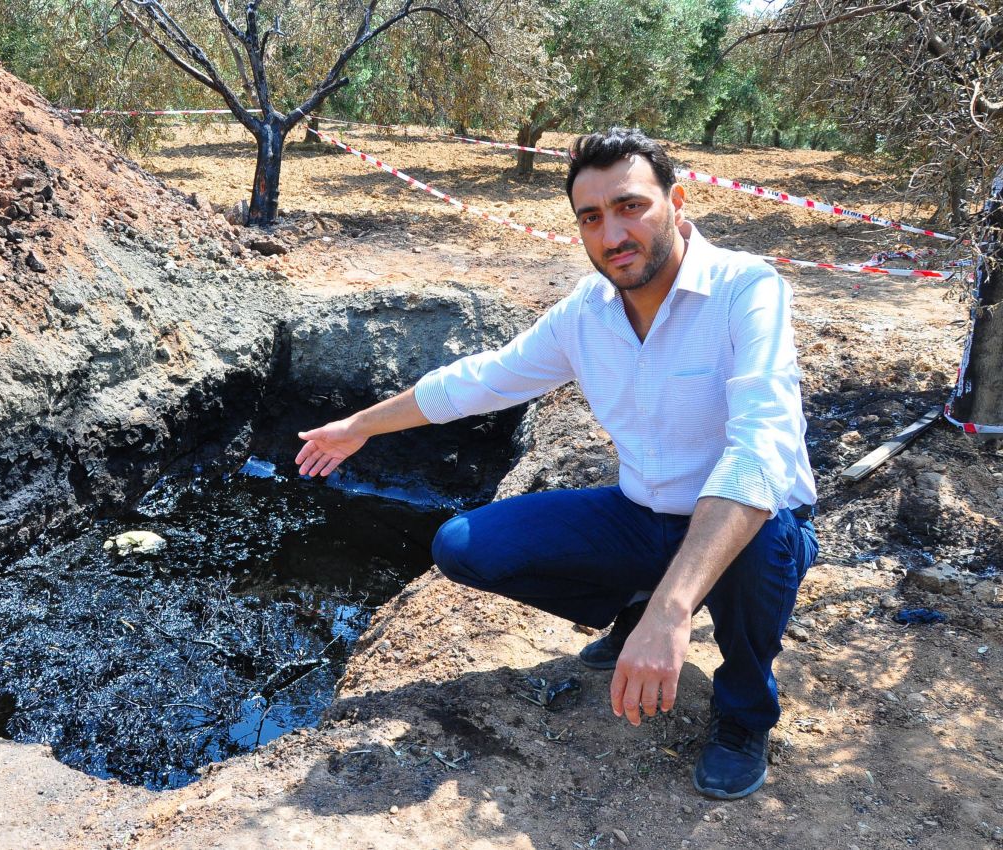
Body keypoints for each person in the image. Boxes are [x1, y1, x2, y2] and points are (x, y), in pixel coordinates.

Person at [294, 128, 818, 801]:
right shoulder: (587, 313)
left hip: (751, 524)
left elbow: (760, 451)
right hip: (645, 513)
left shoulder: (747, 289)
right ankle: (634, 600)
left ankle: (745, 713)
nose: (612, 234)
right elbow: (481, 380)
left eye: (631, 206)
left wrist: (676, 610)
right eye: (591, 218)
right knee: (463, 545)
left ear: (677, 201)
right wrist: (358, 426)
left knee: (762, 535)